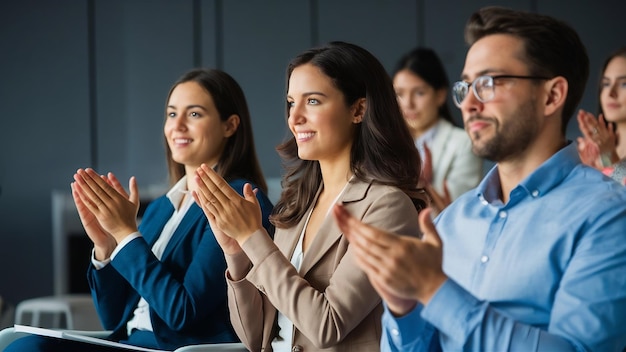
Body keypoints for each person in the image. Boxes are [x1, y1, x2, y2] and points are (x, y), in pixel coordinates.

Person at [333, 6, 626, 352]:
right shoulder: (451, 222)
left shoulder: (607, 215)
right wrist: (403, 306)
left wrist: (434, 289)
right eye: (465, 86)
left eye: (488, 83)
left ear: (552, 95)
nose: (468, 103)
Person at [5, 68, 274, 351]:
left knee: (29, 349)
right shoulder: (161, 208)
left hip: (173, 348)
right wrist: (108, 248)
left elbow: (183, 314)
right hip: (130, 342)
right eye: (171, 114)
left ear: (230, 125)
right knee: (23, 345)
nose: (177, 125)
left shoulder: (239, 202)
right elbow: (115, 317)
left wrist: (126, 234)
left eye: (194, 114)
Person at [191, 41, 427, 351]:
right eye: (291, 102)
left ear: (358, 109)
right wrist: (237, 253)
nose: (294, 117)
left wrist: (253, 237)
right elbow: (254, 337)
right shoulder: (297, 203)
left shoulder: (387, 206)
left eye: (313, 101)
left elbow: (327, 326)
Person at [393, 47, 482, 209]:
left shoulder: (463, 143)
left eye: (419, 93)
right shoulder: (386, 143)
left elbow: (460, 209)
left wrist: (421, 188)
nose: (408, 104)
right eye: (399, 94)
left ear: (440, 95)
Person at [577, 46, 626, 184]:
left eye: (624, 84)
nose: (611, 93)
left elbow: (618, 188)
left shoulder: (606, 150)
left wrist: (607, 154)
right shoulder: (593, 148)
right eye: (606, 84)